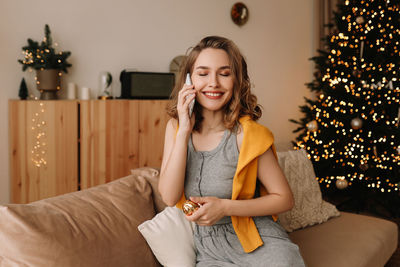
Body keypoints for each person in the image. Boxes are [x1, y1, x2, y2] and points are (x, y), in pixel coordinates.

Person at [159, 36, 305, 267]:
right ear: (189, 80)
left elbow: (284, 199)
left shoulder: (250, 135)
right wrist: (184, 129)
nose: (213, 83)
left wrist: (225, 207)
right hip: (209, 249)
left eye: (224, 74)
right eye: (203, 73)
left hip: (259, 240)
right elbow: (169, 196)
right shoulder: (176, 129)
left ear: (237, 81)